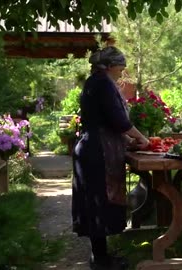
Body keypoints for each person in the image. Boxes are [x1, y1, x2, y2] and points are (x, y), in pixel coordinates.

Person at [72, 46, 149, 270]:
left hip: (91, 147)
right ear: (111, 66)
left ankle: (101, 256)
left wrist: (126, 141)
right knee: (99, 202)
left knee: (96, 203)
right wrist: (143, 139)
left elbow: (101, 121)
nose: (122, 73)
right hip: (97, 151)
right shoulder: (104, 83)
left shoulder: (93, 81)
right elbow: (118, 121)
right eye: (121, 68)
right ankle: (101, 261)